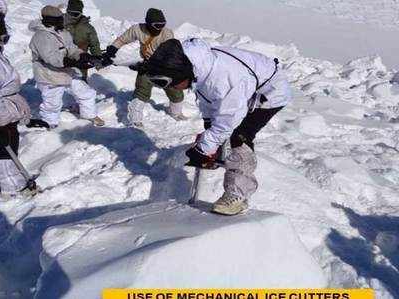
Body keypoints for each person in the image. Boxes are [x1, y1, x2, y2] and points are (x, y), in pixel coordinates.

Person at [140, 38, 292, 215]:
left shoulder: (225, 78)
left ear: (182, 74)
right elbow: (208, 98)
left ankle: (238, 196)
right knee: (216, 131)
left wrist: (205, 148)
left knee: (239, 136)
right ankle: (222, 156)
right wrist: (209, 126)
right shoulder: (198, 68)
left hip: (271, 92)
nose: (171, 87)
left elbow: (229, 116)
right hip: (244, 87)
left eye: (166, 82)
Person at [102, 8, 186, 127]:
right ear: (148, 23)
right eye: (157, 25)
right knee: (142, 90)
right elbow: (122, 39)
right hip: (147, 65)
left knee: (175, 91)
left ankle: (176, 113)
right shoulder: (138, 29)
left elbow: (171, 55)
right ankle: (135, 119)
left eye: (163, 24)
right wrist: (112, 49)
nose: (160, 28)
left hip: (165, 66)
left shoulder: (167, 34)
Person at [29, 5, 105, 129]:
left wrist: (83, 56)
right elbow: (51, 58)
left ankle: (89, 115)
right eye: (59, 19)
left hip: (66, 71)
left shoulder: (62, 32)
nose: (62, 20)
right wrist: (74, 63)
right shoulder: (41, 36)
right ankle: (50, 124)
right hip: (49, 74)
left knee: (86, 92)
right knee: (52, 103)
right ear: (50, 20)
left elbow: (71, 48)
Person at [0, 13, 47, 198]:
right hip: (2, 114)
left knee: (9, 144)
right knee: (4, 150)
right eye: (3, 38)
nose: (4, 42)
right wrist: (2, 121)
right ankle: (12, 189)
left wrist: (22, 116)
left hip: (6, 110)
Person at [65, 0, 101, 82]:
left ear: (81, 13)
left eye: (76, 14)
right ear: (67, 11)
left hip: (81, 61)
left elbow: (94, 45)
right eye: (70, 13)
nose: (73, 17)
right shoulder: (59, 23)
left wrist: (97, 58)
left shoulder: (88, 28)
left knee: (80, 85)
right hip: (62, 61)